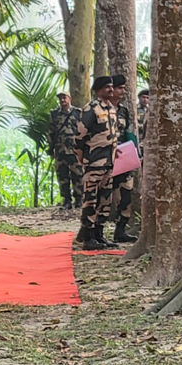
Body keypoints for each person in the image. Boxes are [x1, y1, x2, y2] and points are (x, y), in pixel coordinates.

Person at [76, 76, 119, 250]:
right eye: (107, 87)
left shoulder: (111, 108)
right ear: (98, 90)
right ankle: (87, 237)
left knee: (105, 200)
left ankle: (99, 235)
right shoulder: (91, 109)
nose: (110, 89)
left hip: (109, 163)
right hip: (94, 162)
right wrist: (82, 158)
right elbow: (79, 136)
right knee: (90, 200)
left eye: (111, 86)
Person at [104, 74, 137, 243]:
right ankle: (96, 232)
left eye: (123, 88)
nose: (122, 91)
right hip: (104, 160)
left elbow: (129, 132)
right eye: (119, 88)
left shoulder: (123, 110)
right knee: (104, 196)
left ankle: (121, 229)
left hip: (123, 158)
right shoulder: (100, 109)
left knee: (126, 195)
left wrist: (135, 149)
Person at [48, 92, 83, 209]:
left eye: (64, 98)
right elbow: (51, 132)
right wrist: (51, 148)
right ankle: (66, 200)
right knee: (62, 176)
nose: (62, 100)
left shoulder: (78, 113)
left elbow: (83, 131)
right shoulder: (54, 114)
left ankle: (79, 200)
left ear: (70, 99)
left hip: (74, 151)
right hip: (60, 150)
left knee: (77, 176)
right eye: (60, 98)